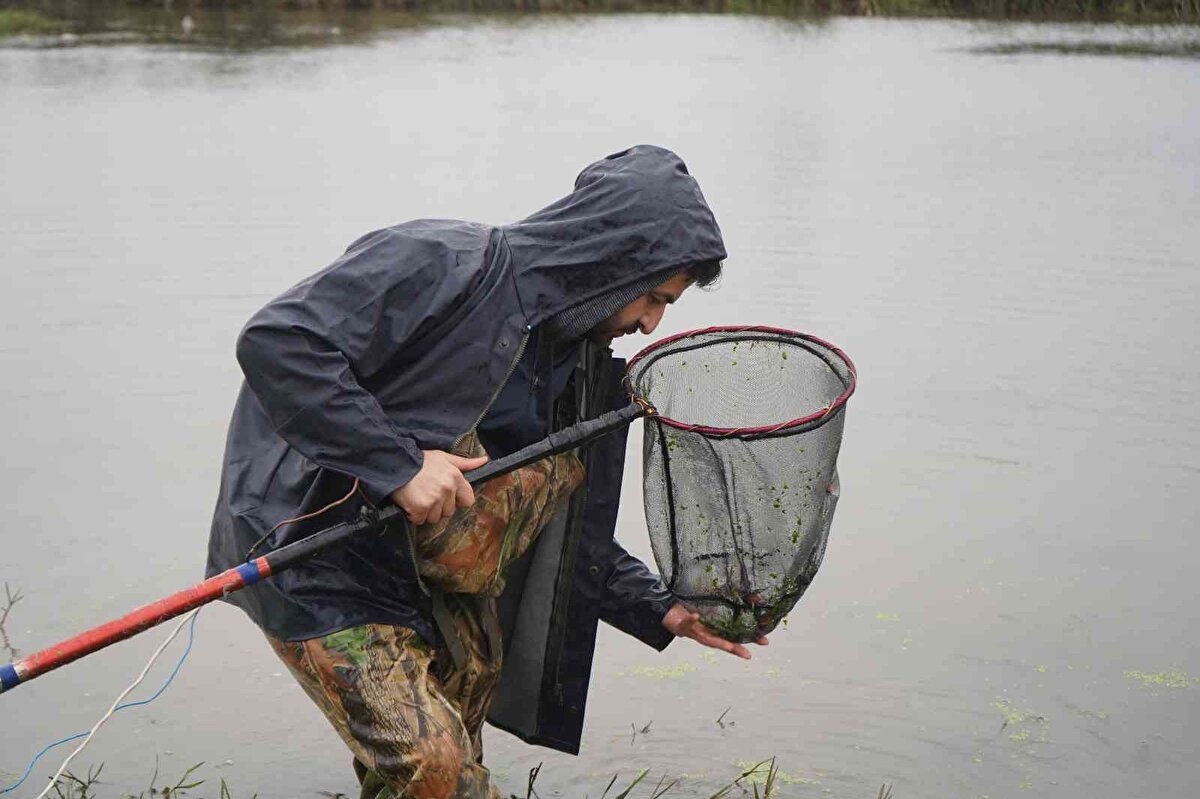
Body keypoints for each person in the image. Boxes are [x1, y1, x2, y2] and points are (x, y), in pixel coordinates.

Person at [205, 145, 766, 799]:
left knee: (444, 758)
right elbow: (278, 341)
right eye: (653, 296)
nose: (650, 323)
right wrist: (400, 465)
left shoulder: (576, 363)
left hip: (433, 573)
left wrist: (658, 608)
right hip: (317, 557)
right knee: (434, 769)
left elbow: (559, 528)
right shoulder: (440, 260)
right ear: (615, 261)